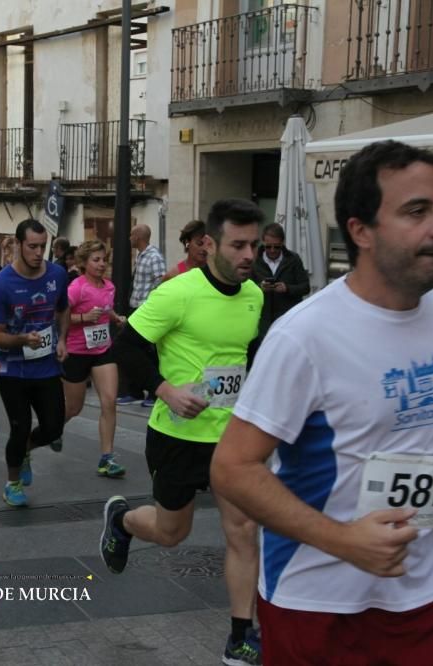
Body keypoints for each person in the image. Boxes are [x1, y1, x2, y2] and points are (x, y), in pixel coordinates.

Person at [211, 140, 433, 665]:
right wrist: (342, 540)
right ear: (359, 231)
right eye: (416, 211)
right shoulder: (304, 335)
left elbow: (410, 428)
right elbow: (233, 468)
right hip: (318, 599)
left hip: (424, 589)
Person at [102, 198, 265, 665]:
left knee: (243, 530)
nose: (248, 254)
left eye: (253, 244)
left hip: (232, 438)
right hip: (177, 436)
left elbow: (252, 357)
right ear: (210, 243)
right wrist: (165, 390)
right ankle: (123, 521)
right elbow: (127, 347)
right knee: (173, 532)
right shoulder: (178, 292)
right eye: (238, 245)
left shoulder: (254, 295)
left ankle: (240, 635)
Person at [0, 219, 70, 507]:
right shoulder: (1, 284)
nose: (38, 253)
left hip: (46, 365)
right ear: (18, 245)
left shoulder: (58, 275)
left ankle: (25, 450)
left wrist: (61, 339)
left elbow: (63, 309)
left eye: (43, 247)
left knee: (53, 427)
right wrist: (23, 340)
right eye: (32, 247)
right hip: (12, 368)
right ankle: (12, 484)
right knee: (19, 425)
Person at [62, 241, 127, 478]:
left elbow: (105, 307)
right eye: (95, 260)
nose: (101, 264)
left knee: (109, 401)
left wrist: (116, 317)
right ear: (83, 263)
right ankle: (54, 429)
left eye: (103, 260)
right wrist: (83, 317)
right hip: (76, 352)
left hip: (102, 350)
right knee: (73, 408)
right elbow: (59, 316)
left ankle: (107, 458)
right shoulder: (76, 288)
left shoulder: (109, 286)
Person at [117, 223, 166, 408]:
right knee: (133, 348)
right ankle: (135, 391)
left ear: (138, 236)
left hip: (145, 309)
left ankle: (154, 393)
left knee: (149, 352)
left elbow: (162, 282)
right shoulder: (141, 256)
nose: (129, 237)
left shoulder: (154, 256)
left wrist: (150, 305)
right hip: (135, 308)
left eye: (131, 234)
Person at [251, 222, 310, 341]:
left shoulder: (293, 259)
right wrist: (260, 287)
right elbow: (244, 287)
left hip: (286, 321)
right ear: (263, 242)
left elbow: (305, 287)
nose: (272, 250)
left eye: (277, 246)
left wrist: (287, 288)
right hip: (260, 322)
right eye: (268, 246)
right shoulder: (254, 259)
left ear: (282, 243)